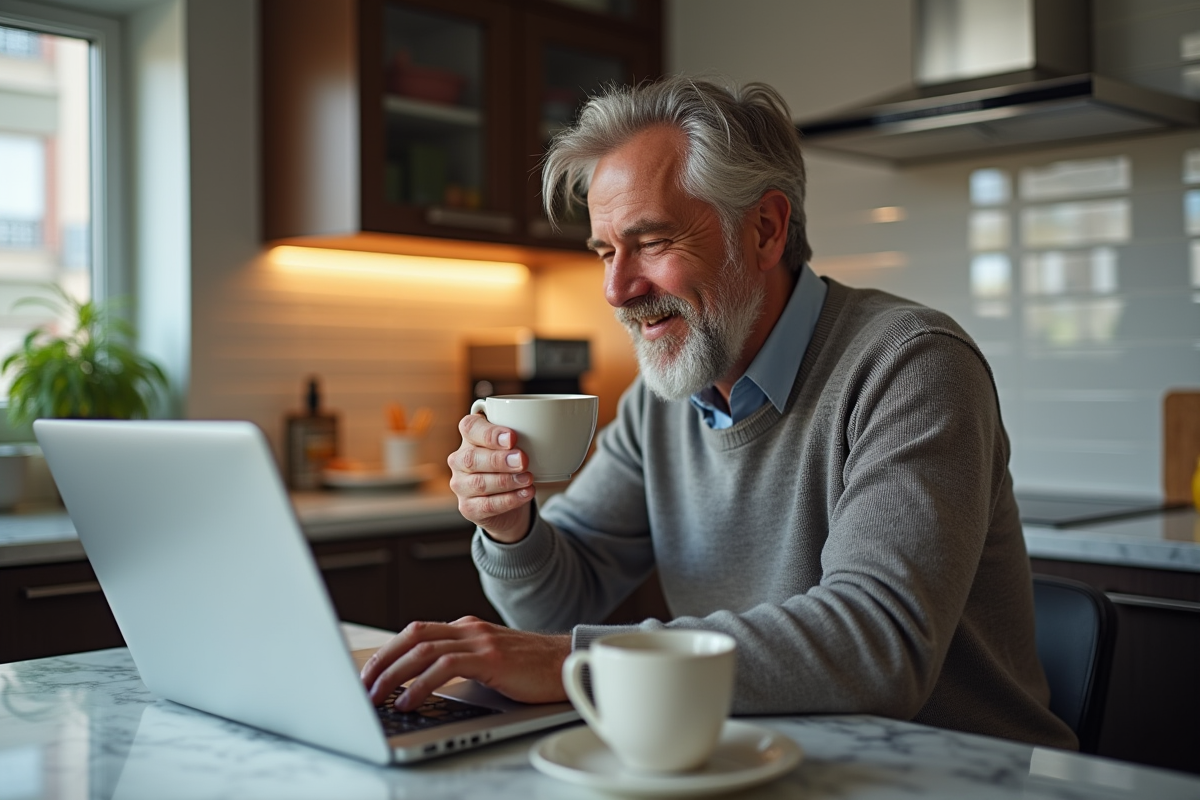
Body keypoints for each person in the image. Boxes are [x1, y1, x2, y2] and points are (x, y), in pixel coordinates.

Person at [360, 76, 1077, 750]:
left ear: (764, 229)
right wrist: (510, 526)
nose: (615, 289)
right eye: (605, 250)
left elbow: (878, 644)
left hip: (954, 775)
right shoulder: (663, 398)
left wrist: (578, 661)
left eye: (652, 241)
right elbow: (556, 601)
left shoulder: (912, 363)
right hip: (760, 760)